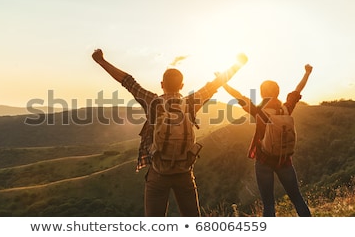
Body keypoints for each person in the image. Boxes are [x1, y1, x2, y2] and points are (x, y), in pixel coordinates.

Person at [92, 48, 247, 216]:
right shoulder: (190, 103)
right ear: (182, 86)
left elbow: (128, 81)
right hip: (184, 173)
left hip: (158, 173)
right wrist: (238, 64)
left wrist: (101, 61)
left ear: (161, 85)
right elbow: (216, 83)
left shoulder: (153, 102)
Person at [221, 64, 313, 217]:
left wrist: (223, 83)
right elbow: (298, 89)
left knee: (268, 204)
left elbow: (238, 96)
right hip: (284, 160)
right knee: (297, 199)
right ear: (278, 93)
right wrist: (307, 73)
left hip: (264, 160)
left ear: (262, 94)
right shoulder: (286, 108)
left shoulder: (258, 111)